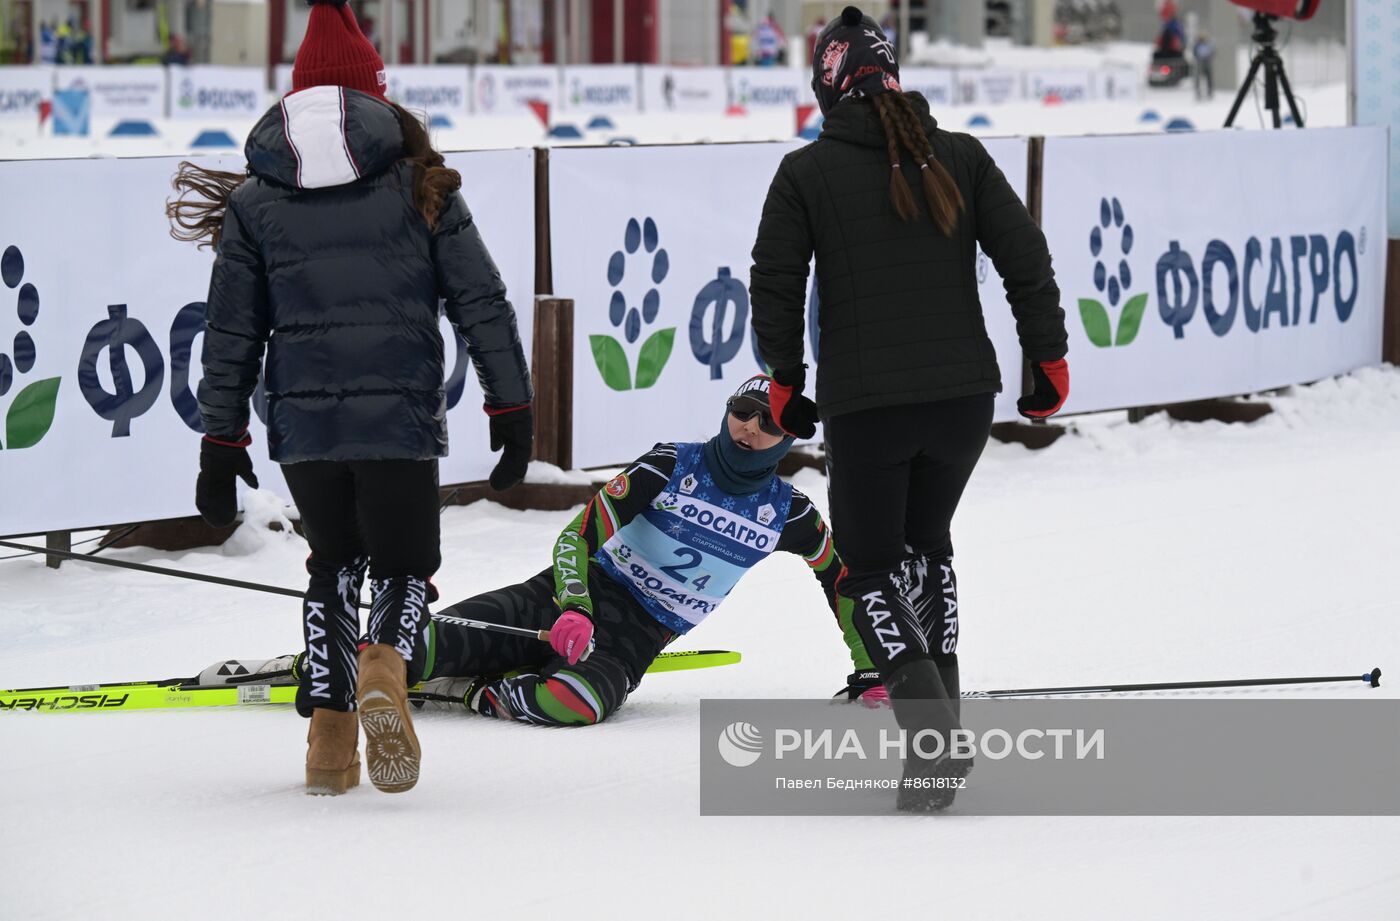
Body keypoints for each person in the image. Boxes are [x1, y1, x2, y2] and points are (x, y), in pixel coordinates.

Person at [167, 0, 533, 796]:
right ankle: (385, 663)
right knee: (404, 568)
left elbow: (230, 333)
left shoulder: (255, 204)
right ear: (376, 97)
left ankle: (329, 742)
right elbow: (483, 302)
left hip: (303, 424)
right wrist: (511, 406)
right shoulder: (422, 185)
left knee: (332, 563)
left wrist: (219, 441)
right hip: (399, 420)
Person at [748, 6, 1068, 811]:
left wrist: (784, 382)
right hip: (964, 401)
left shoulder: (807, 172)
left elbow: (775, 283)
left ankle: (932, 736)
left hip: (870, 404)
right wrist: (1050, 359)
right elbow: (1025, 257)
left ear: (828, 87)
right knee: (927, 544)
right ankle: (941, 733)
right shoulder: (958, 155)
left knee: (866, 564)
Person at [407, 375, 875, 727]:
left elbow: (844, 580)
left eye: (768, 422)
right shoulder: (671, 464)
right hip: (562, 599)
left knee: (573, 704)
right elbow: (577, 536)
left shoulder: (789, 513)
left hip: (634, 637)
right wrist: (574, 603)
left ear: (788, 438)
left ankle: (475, 689)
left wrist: (872, 668)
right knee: (408, 648)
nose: (748, 427)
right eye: (742, 411)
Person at [1192, 33, 1215, 100]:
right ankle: (1198, 92)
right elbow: (1195, 52)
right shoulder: (1197, 45)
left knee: (1209, 78)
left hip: (1207, 62)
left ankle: (1209, 92)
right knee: (1199, 78)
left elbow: (1212, 51)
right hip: (1200, 62)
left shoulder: (1208, 44)